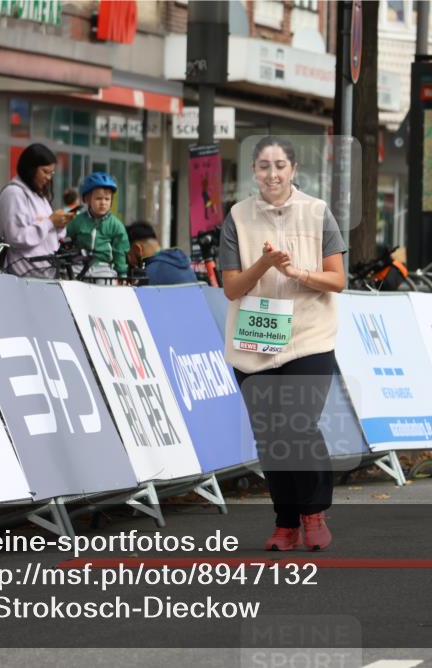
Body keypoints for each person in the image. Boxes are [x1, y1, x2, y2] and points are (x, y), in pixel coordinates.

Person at [218, 136, 346, 552]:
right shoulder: (237, 216)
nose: (271, 174)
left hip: (308, 336)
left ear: (293, 170)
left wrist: (299, 273)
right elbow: (232, 287)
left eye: (279, 166)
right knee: (270, 436)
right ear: (253, 171)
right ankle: (286, 522)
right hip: (255, 340)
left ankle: (313, 512)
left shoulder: (317, 212)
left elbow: (338, 279)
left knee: (298, 423)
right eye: (263, 167)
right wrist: (265, 263)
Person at [0, 143, 73, 277]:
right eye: (45, 172)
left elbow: (52, 233)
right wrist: (50, 222)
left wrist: (59, 224)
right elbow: (16, 237)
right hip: (24, 273)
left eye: (52, 173)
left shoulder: (38, 195)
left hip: (44, 271)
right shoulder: (14, 193)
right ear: (30, 169)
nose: (49, 178)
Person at [66, 172, 129, 279]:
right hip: (79, 265)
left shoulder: (116, 225)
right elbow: (66, 238)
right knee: (68, 280)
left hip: (103, 268)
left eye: (107, 199)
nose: (103, 203)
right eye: (98, 199)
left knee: (107, 287)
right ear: (87, 199)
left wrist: (122, 273)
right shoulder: (78, 221)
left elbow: (120, 251)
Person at [126, 221, 197, 285]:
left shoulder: (149, 275)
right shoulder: (186, 267)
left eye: (129, 255)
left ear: (137, 249)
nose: (130, 261)